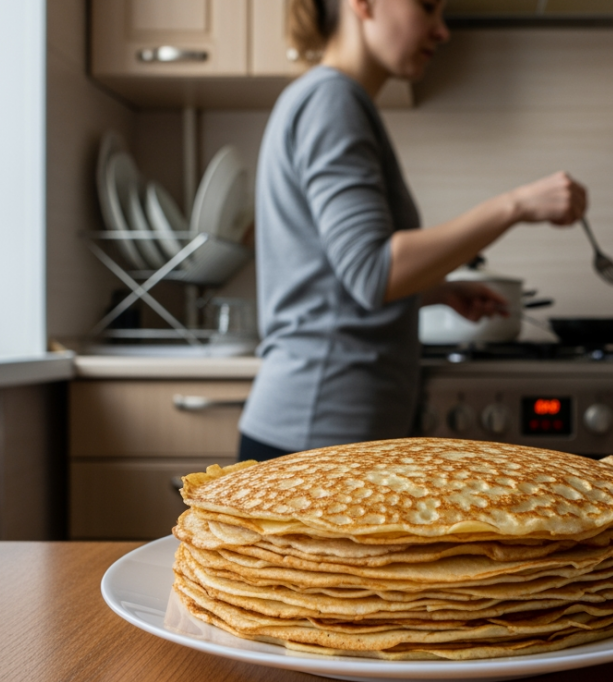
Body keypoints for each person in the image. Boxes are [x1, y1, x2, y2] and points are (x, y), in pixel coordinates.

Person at [237, 0, 588, 460]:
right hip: (319, 433)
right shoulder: (332, 99)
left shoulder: (328, 97)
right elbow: (372, 272)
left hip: (317, 430)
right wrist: (514, 205)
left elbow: (335, 283)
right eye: (427, 7)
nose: (442, 32)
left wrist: (435, 292)